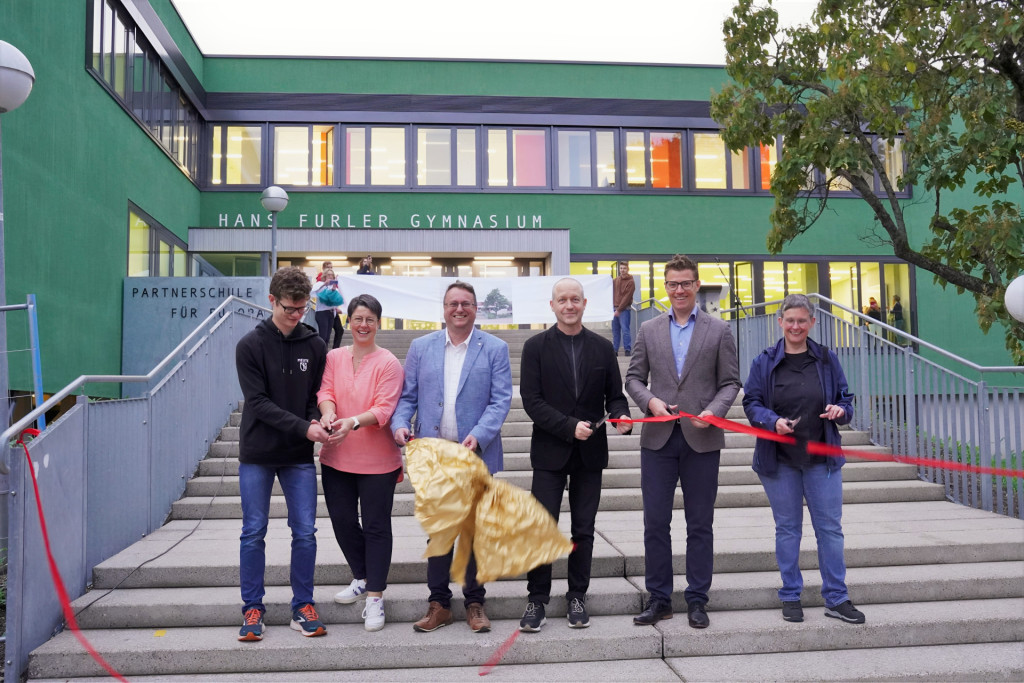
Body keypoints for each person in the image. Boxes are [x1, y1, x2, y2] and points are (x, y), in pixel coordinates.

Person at [625, 254, 740, 629]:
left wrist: (715, 410)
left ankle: (696, 599)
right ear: (665, 286)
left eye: (686, 283)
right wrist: (650, 402)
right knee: (655, 523)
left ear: (696, 284)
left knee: (699, 524)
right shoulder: (648, 330)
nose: (679, 290)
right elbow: (634, 379)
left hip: (702, 440)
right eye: (673, 284)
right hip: (658, 439)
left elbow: (730, 383)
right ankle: (659, 599)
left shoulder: (719, 330)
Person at [392, 281, 513, 634]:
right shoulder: (421, 347)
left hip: (475, 454)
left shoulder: (495, 348)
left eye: (466, 303)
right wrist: (399, 425)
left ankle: (475, 603)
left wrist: (481, 433)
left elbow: (500, 400)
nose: (459, 309)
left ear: (476, 308)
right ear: (443, 308)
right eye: (452, 304)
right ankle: (439, 604)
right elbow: (407, 398)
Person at [741, 293, 865, 625]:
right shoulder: (764, 361)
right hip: (778, 460)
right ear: (779, 322)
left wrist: (841, 410)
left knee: (830, 530)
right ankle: (791, 595)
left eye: (802, 320)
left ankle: (836, 598)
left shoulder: (826, 359)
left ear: (812, 323)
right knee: (788, 530)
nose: (796, 326)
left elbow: (846, 399)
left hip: (821, 460)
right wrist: (772, 421)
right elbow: (751, 403)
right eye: (790, 320)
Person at [518, 278, 632, 633]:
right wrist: (569, 427)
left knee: (583, 529)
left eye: (575, 300)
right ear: (552, 306)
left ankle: (577, 596)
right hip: (550, 452)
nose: (569, 305)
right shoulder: (535, 347)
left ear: (584, 304)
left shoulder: (602, 347)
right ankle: (537, 599)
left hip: (590, 454)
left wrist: (621, 415)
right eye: (562, 300)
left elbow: (615, 395)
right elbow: (532, 401)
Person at [234, 266, 330, 642]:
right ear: (271, 300)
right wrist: (305, 426)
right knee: (253, 532)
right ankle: (252, 608)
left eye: (302, 308)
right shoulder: (249, 346)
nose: (296, 315)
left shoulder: (315, 345)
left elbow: (313, 398)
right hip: (257, 453)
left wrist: (320, 420)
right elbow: (257, 403)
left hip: (297, 455)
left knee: (305, 532)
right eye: (290, 308)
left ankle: (302, 605)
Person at [317, 294, 404, 632]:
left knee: (376, 527)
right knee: (341, 521)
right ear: (349, 321)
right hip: (336, 456)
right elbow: (325, 393)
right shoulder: (334, 357)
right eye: (357, 318)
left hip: (378, 462)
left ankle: (375, 597)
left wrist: (351, 422)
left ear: (378, 323)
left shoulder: (389, 363)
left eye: (369, 319)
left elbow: (384, 409)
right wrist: (329, 415)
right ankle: (362, 576)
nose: (363, 325)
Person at [312, 269, 344, 349]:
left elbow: (334, 300)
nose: (330, 276)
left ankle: (325, 355)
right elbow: (313, 293)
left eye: (332, 275)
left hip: (331, 313)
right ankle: (320, 354)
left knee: (327, 337)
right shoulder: (320, 284)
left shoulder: (334, 288)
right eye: (328, 274)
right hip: (322, 312)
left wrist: (333, 289)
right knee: (323, 336)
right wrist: (324, 285)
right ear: (325, 276)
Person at [612, 261, 635, 356]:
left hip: (624, 309)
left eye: (624, 268)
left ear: (628, 269)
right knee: (615, 331)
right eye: (621, 268)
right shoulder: (615, 280)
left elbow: (627, 298)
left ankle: (627, 350)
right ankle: (615, 350)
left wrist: (619, 310)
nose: (622, 270)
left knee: (625, 330)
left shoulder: (631, 281)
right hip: (614, 308)